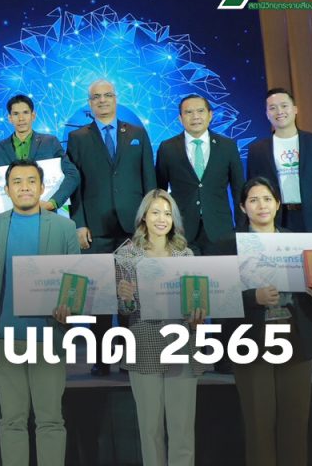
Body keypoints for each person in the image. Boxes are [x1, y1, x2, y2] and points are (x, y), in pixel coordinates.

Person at [0, 159, 79, 466]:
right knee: (12, 419)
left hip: (49, 336)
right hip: (6, 335)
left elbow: (76, 281)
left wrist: (71, 307)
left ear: (42, 187)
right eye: (17, 182)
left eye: (31, 181)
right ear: (6, 189)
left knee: (50, 419)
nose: (24, 187)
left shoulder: (65, 227)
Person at [233, 176, 312, 466]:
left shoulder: (300, 244)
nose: (261, 205)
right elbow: (220, 296)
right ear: (242, 207)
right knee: (258, 425)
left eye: (267, 199)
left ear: (278, 204)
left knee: (295, 425)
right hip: (251, 342)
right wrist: (254, 297)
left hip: (296, 338)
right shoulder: (229, 245)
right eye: (253, 200)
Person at [247, 87, 312, 375]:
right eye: (272, 108)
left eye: (284, 106)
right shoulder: (258, 149)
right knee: (280, 285)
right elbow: (253, 190)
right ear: (266, 114)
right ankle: (282, 350)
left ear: (295, 109)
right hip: (277, 222)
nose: (279, 111)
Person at [67, 79, 156, 376]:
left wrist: (149, 223)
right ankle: (102, 358)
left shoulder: (137, 134)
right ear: (89, 103)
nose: (102, 100)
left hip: (133, 226)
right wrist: (79, 223)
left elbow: (149, 180)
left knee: (131, 293)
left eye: (107, 95)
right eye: (96, 97)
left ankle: (129, 355)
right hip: (95, 228)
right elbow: (75, 186)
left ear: (116, 99)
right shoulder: (78, 137)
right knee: (100, 294)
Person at [114, 189, 206, 466]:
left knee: (182, 430)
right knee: (150, 429)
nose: (162, 218)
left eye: (167, 213)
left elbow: (196, 302)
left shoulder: (185, 255)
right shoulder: (126, 256)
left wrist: (198, 316)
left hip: (182, 345)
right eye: (155, 212)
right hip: (144, 345)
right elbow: (123, 311)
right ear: (143, 217)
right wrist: (125, 298)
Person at [155, 94, 244, 256]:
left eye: (200, 111)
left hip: (221, 230)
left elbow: (239, 190)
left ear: (210, 115)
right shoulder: (167, 148)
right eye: (188, 112)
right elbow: (159, 191)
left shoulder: (227, 146)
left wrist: (241, 228)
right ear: (180, 118)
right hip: (181, 230)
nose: (195, 116)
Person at [0, 94, 80, 209]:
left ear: (33, 116)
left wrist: (52, 203)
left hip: (45, 214)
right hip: (12, 215)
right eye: (16, 114)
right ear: (10, 118)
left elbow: (73, 174)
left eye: (25, 113)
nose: (21, 118)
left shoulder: (50, 142)